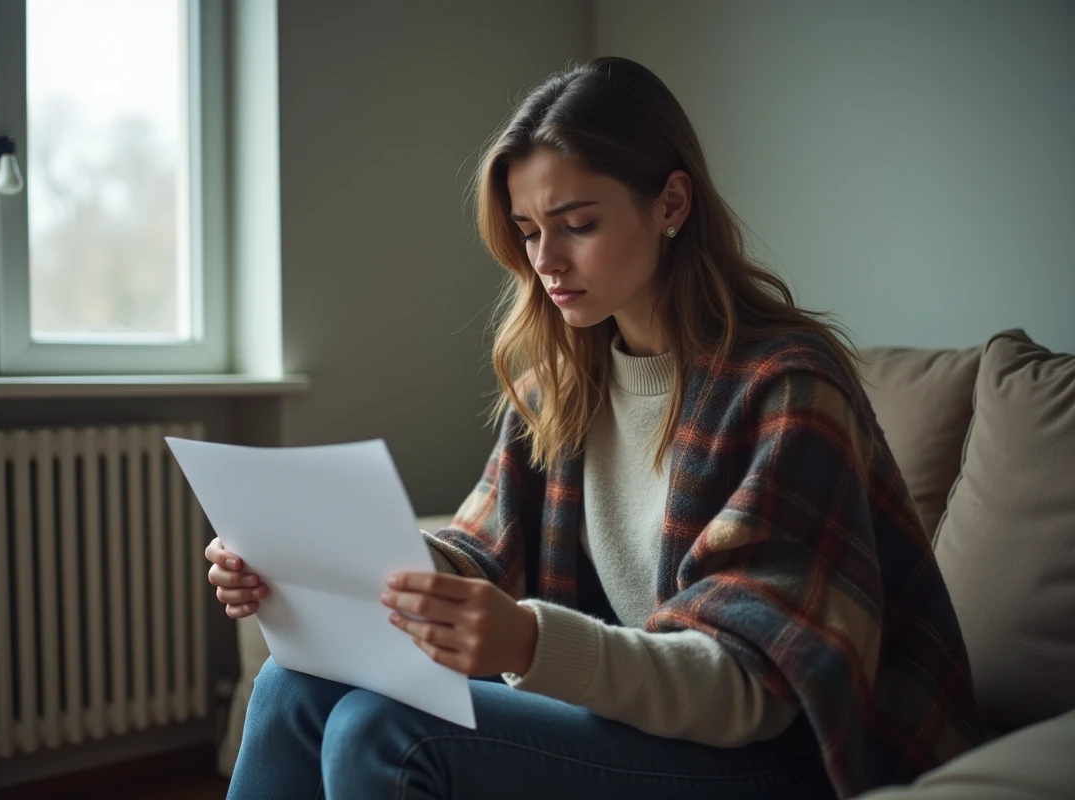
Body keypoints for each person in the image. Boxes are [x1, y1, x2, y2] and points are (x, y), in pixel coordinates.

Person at [204, 57, 984, 799]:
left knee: (386, 730)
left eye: (576, 223)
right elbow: (478, 555)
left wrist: (528, 643)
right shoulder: (561, 382)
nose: (546, 260)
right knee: (294, 684)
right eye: (528, 230)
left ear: (672, 204)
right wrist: (303, 565)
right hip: (641, 727)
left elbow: (757, 687)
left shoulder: (786, 386)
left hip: (778, 759)